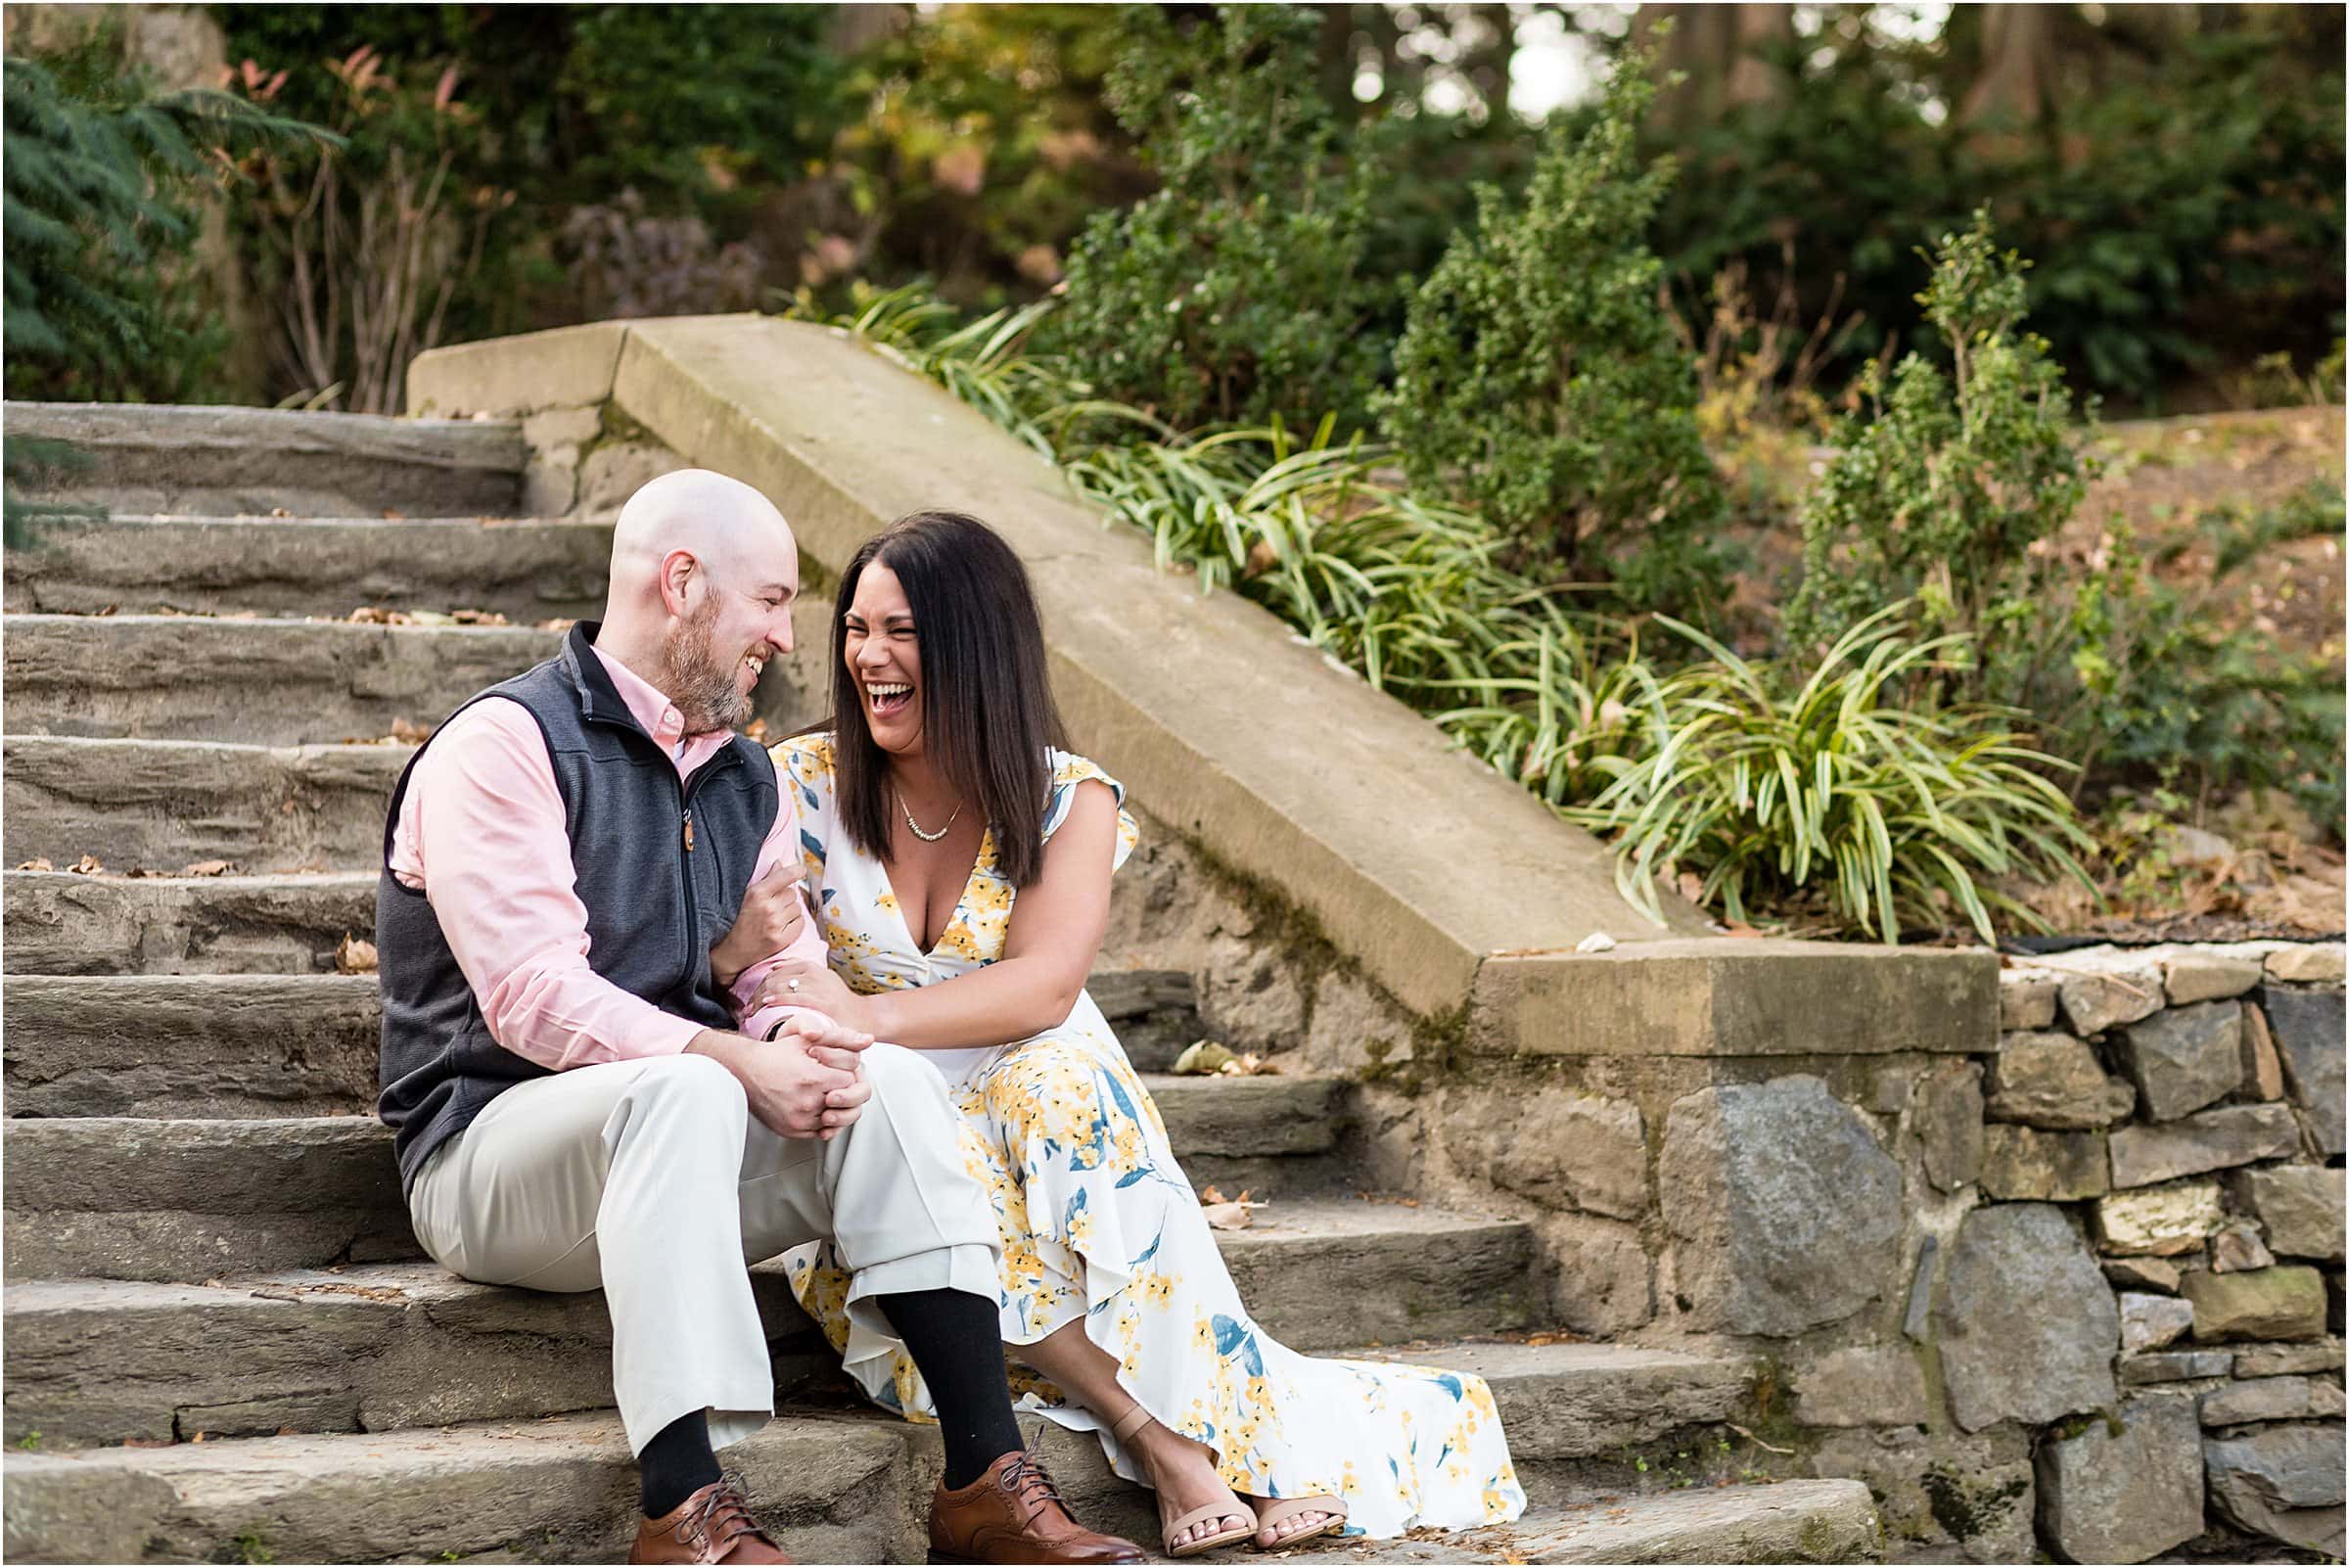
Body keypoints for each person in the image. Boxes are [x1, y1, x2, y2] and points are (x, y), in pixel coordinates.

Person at [715, 510, 1527, 1558]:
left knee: (1058, 1091)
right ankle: (1173, 1445)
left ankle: (1229, 1443)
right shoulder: (802, 786)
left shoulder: (1066, 795)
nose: (870, 656)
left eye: (903, 631)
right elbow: (765, 956)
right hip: (881, 1140)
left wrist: (866, 1013)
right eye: (858, 631)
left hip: (1039, 1094)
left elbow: (1044, 988)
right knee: (928, 1150)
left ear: (975, 644)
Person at [374, 470, 1143, 1567]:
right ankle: (684, 1509)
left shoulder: (746, 782)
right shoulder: (506, 745)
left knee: (888, 1082)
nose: (792, 639)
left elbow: (780, 977)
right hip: (487, 1159)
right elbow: (532, 999)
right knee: (690, 1085)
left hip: (667, 1160)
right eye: (773, 602)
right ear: (682, 584)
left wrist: (798, 1042)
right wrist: (735, 1056)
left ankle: (983, 1485)